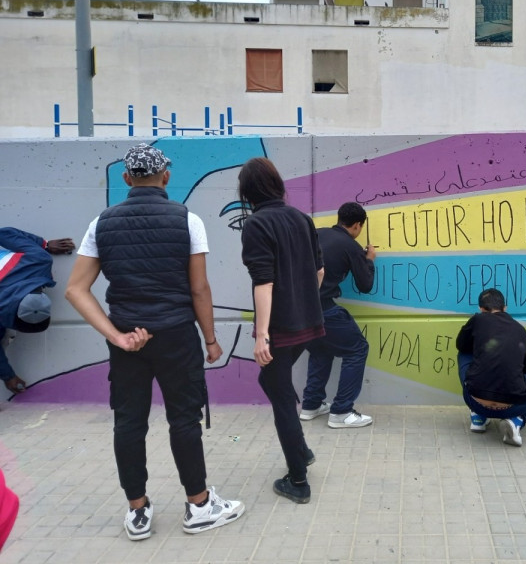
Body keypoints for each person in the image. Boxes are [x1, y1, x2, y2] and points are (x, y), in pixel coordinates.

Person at [65, 143, 244, 541]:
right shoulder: (187, 220)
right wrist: (211, 340)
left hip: (127, 339)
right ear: (166, 177)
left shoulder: (101, 224)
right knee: (183, 419)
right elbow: (199, 289)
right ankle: (198, 506)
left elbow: (76, 290)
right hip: (177, 336)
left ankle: (138, 512)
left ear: (127, 179)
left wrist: (117, 336)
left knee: (128, 422)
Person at [238, 157, 324, 504]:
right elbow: (319, 272)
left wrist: (262, 335)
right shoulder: (301, 218)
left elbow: (264, 283)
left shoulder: (256, 224)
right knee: (275, 384)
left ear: (247, 191)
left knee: (282, 400)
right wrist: (303, 302)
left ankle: (298, 480)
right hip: (309, 323)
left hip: (281, 329)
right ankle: (301, 451)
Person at [300, 202, 376, 429]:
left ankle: (311, 405)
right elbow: (365, 285)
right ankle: (341, 411)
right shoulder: (350, 246)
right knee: (357, 349)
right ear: (357, 225)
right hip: (324, 308)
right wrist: (368, 260)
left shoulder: (316, 234)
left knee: (321, 349)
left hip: (300, 310)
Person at [456, 288, 526, 447]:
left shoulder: (478, 320)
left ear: (481, 309)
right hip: (513, 406)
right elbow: (523, 370)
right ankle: (516, 420)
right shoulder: (521, 331)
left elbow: (461, 345)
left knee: (464, 353)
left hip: (474, 400)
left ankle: (478, 416)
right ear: (505, 307)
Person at [0, 227, 75, 394]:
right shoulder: (38, 259)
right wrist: (8, 376)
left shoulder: (39, 259)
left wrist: (44, 245)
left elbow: (4, 234)